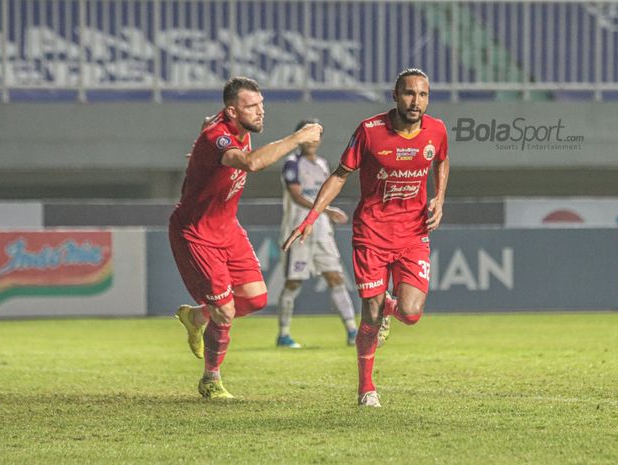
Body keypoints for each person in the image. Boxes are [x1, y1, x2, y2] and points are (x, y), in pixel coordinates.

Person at [283, 68, 449, 407]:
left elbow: (442, 162)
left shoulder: (437, 130)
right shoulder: (370, 131)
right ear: (395, 94)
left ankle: (391, 305)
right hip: (371, 234)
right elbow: (340, 176)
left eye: (422, 95)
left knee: (411, 313)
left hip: (413, 234)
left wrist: (439, 198)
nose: (415, 101)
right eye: (408, 93)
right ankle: (366, 389)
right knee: (370, 315)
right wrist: (311, 217)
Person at [169, 76, 323, 399]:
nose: (260, 111)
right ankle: (211, 379)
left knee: (256, 298)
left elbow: (204, 125)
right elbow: (251, 163)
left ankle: (196, 317)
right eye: (251, 106)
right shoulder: (219, 137)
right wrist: (298, 137)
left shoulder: (229, 126)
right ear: (232, 111)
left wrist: (198, 158)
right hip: (196, 232)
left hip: (227, 227)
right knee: (225, 312)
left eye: (261, 104)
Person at [276, 118, 358, 349]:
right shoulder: (291, 164)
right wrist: (328, 209)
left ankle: (353, 331)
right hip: (298, 229)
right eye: (308, 135)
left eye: (316, 136)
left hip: (322, 232)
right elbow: (296, 196)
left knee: (336, 277)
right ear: (299, 138)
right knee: (293, 282)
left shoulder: (323, 164)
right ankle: (283, 334)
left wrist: (326, 212)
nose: (312, 140)